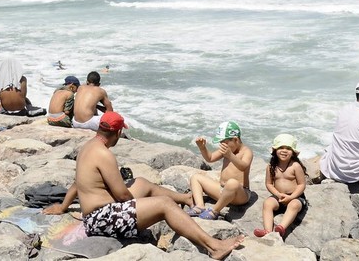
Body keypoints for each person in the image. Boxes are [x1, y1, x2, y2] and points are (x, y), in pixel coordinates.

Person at [67, 111, 243, 259]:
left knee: (141, 183)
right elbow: (122, 196)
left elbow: (78, 183)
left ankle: (186, 198)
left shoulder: (89, 146)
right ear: (118, 132)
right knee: (164, 204)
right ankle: (214, 246)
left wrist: (63, 206)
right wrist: (144, 202)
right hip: (101, 220)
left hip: (95, 214)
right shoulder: (104, 154)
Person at [188, 121, 253, 220]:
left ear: (235, 139)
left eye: (225, 142)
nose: (222, 145)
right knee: (195, 177)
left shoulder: (246, 152)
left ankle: (215, 211)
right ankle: (200, 206)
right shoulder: (226, 149)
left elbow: (243, 166)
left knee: (232, 183)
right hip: (223, 191)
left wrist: (230, 155)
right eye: (221, 142)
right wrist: (202, 148)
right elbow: (210, 158)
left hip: (240, 194)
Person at [254, 134, 307, 238]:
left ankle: (281, 227)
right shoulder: (271, 166)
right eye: (281, 148)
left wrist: (291, 197)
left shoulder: (295, 166)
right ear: (275, 150)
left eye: (288, 148)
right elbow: (269, 184)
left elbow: (302, 184)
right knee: (267, 203)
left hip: (295, 197)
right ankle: (268, 231)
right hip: (279, 197)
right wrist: (277, 194)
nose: (284, 151)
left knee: (294, 205)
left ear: (293, 152)